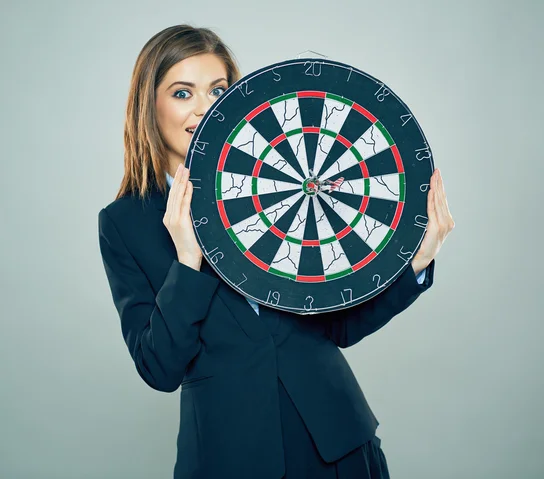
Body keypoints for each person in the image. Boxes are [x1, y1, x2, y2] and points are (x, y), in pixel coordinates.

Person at [98, 24, 454, 479]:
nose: (204, 108)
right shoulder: (125, 223)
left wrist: (417, 263)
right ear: (149, 105)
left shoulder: (283, 184)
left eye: (218, 90)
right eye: (182, 93)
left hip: (338, 442)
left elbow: (337, 323)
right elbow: (159, 367)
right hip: (231, 457)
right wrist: (187, 261)